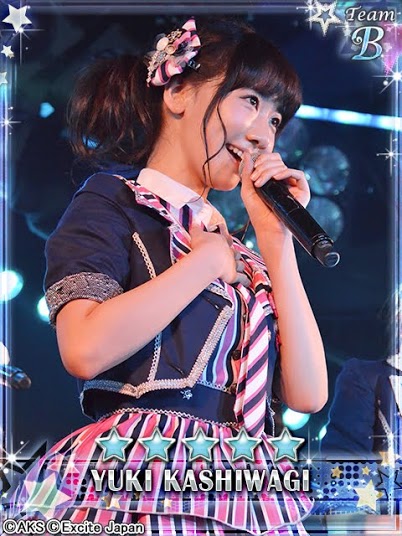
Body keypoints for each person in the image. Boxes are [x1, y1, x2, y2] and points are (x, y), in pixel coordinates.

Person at [7, 16, 327, 536]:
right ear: (178, 92)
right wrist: (201, 266)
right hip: (139, 471)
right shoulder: (115, 201)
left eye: (275, 119)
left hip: (243, 484)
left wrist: (276, 241)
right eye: (249, 100)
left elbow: (308, 395)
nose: (262, 134)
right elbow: (84, 347)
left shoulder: (241, 257)